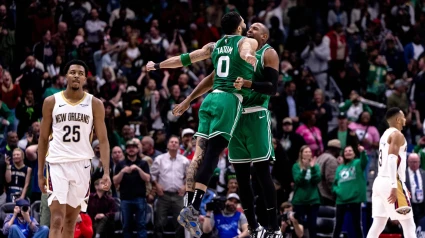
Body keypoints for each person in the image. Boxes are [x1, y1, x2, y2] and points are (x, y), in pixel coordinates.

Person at [147, 11, 258, 237]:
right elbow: (247, 49)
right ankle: (193, 208)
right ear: (238, 27)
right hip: (228, 99)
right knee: (213, 156)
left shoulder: (212, 46)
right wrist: (249, 57)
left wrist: (157, 65)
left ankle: (189, 206)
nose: (246, 27)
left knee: (198, 156)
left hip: (209, 100)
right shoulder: (246, 41)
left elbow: (183, 59)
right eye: (244, 24)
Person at [172, 22, 281, 237]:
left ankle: (274, 227)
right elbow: (213, 80)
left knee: (261, 172)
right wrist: (188, 100)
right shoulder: (235, 50)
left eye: (256, 28)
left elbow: (273, 88)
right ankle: (253, 225)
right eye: (249, 27)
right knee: (240, 175)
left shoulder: (269, 53)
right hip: (235, 113)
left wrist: (248, 84)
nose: (250, 29)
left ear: (265, 36)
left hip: (257, 114)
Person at [37, 59, 111, 238]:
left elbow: (103, 140)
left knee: (71, 221)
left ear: (85, 78)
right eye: (72, 72)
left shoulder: (95, 104)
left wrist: (106, 172)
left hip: (82, 165)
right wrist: (40, 173)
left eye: (80, 73)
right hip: (57, 163)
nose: (76, 76)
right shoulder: (51, 101)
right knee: (56, 219)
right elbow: (42, 139)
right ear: (66, 76)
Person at [366, 107, 416, 238]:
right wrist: (395, 186)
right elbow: (392, 160)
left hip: (379, 181)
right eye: (403, 117)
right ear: (398, 119)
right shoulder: (397, 135)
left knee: (378, 224)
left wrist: (402, 186)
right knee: (409, 224)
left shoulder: (384, 135)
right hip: (391, 181)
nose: (405, 119)